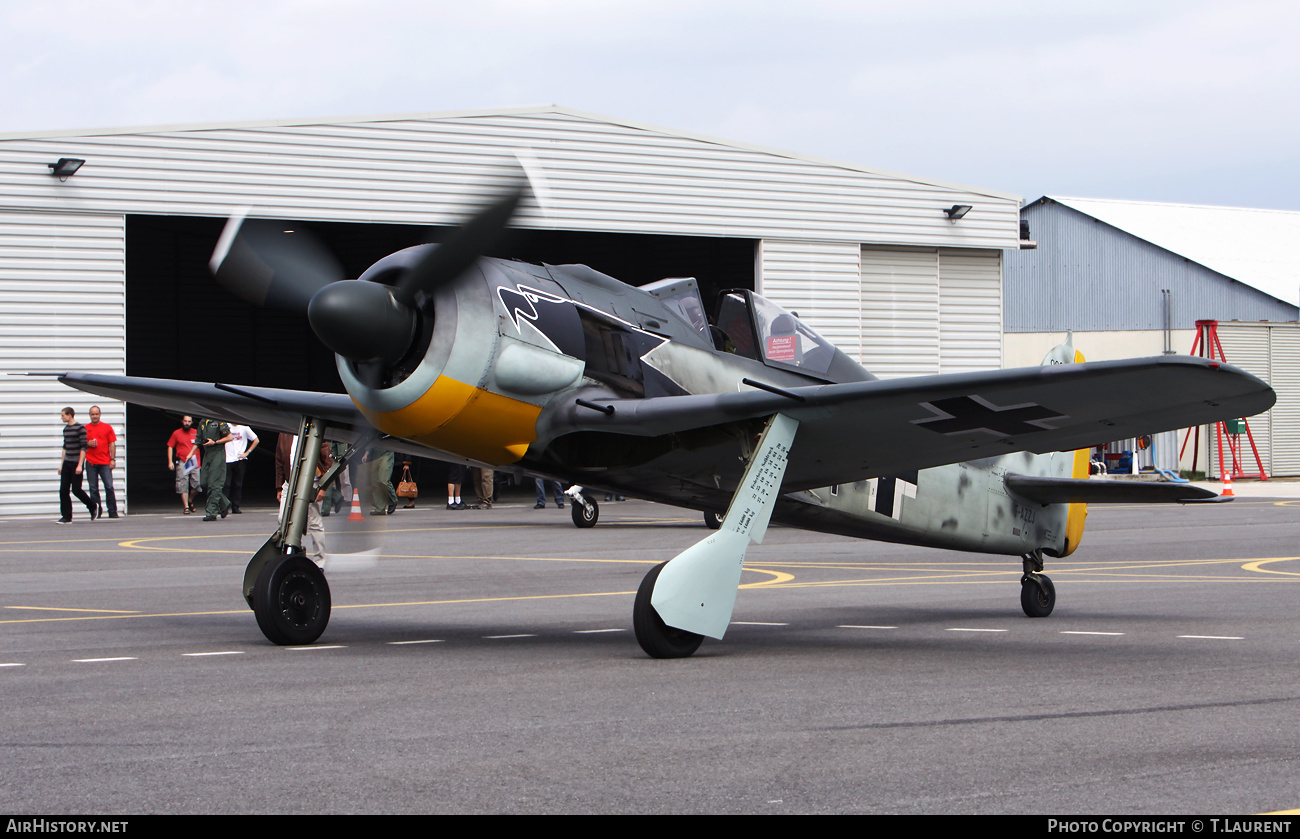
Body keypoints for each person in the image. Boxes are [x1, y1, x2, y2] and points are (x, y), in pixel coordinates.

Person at [275, 433, 332, 567]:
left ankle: (320, 561)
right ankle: (290, 554)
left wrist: (323, 487)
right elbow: (279, 459)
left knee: (314, 523)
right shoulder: (284, 433)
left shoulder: (312, 431)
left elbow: (327, 461)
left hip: (310, 483)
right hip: (289, 483)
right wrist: (279, 486)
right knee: (282, 518)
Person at [57, 407, 95, 523]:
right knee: (63, 490)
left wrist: (80, 465)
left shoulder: (80, 428)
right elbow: (65, 447)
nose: (62, 417)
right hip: (67, 462)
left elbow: (84, 447)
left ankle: (92, 505)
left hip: (76, 462)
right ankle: (66, 516)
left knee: (76, 490)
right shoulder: (66, 429)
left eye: (63, 415)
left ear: (69, 415)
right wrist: (61, 464)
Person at [83, 405, 119, 519]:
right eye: (92, 414)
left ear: (100, 414)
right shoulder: (85, 428)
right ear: (90, 415)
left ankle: (112, 511)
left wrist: (112, 459)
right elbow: (81, 444)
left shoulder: (107, 427)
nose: (94, 416)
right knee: (93, 488)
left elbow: (112, 443)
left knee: (109, 486)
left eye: (96, 414)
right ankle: (96, 511)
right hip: (91, 462)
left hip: (105, 462)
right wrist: (88, 443)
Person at [195, 417, 233, 521]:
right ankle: (224, 503)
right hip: (207, 454)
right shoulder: (202, 422)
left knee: (214, 484)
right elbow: (198, 439)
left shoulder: (219, 421)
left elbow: (229, 437)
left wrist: (215, 442)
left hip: (217, 453)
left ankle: (211, 512)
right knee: (203, 482)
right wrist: (190, 454)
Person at [166, 415, 200, 514]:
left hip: (195, 462)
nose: (187, 423)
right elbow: (170, 446)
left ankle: (190, 500)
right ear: (182, 421)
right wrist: (170, 461)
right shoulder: (176, 433)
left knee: (198, 484)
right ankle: (186, 506)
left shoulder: (196, 433)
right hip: (182, 461)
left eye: (189, 421)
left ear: (192, 422)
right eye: (185, 421)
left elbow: (203, 444)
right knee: (183, 484)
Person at [222, 424, 259, 514]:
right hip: (227, 459)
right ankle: (224, 507)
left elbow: (256, 440)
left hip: (240, 459)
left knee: (238, 484)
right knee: (226, 484)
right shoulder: (225, 426)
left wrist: (247, 452)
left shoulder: (244, 427)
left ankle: (235, 506)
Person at [366, 448, 396, 515]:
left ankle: (392, 500)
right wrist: (366, 453)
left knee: (383, 480)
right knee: (375, 482)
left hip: (387, 452)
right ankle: (380, 508)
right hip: (375, 455)